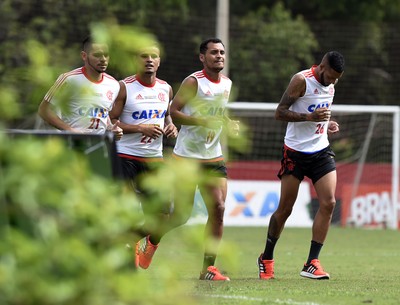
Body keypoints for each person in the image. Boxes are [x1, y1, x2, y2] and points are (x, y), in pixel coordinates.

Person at [257, 51, 345, 280]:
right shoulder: (301, 80)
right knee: (285, 209)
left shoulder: (331, 85)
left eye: (337, 78)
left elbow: (320, 114)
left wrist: (327, 124)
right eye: (332, 76)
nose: (334, 82)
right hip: (294, 153)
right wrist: (309, 118)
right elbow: (280, 113)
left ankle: (312, 263)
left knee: (329, 203)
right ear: (322, 66)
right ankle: (266, 257)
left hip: (321, 152)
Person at [168, 38, 239, 281]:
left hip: (213, 156)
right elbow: (173, 112)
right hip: (187, 156)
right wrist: (201, 122)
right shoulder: (193, 81)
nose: (219, 56)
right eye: (213, 52)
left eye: (222, 52)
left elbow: (218, 113)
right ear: (202, 57)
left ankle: (208, 268)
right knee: (180, 216)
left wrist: (229, 123)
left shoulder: (227, 84)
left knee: (218, 209)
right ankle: (147, 241)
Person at [109, 43, 178, 269]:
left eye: (154, 56)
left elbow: (166, 116)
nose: (149, 60)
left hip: (154, 159)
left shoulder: (166, 88)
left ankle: (134, 243)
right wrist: (140, 128)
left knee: (163, 216)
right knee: (125, 212)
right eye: (143, 56)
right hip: (126, 157)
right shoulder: (125, 87)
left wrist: (171, 127)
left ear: (159, 61)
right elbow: (111, 122)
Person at [38, 36, 122, 139]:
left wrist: (111, 129)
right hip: (73, 146)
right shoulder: (68, 79)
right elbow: (44, 111)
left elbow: (103, 113)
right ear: (84, 56)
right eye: (97, 55)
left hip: (99, 146)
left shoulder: (114, 84)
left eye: (106, 55)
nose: (103, 59)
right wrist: (71, 131)